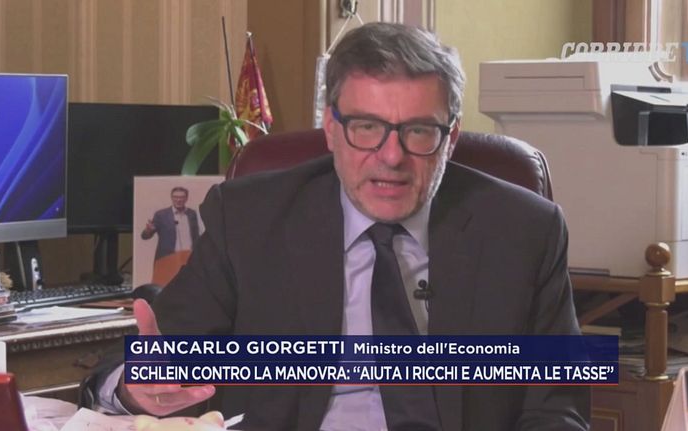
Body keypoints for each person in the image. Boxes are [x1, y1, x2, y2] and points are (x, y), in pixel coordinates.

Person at [90, 22, 590, 430]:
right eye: (366, 127)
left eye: (419, 131)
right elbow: (145, 362)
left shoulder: (523, 230)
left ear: (451, 137)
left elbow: (558, 410)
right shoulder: (249, 220)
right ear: (331, 129)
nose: (391, 157)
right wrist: (135, 387)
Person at [140, 186, 200, 285]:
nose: (178, 200)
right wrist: (148, 230)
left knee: (188, 286)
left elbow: (195, 236)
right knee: (164, 285)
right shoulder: (161, 215)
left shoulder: (192, 214)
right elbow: (145, 236)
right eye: (176, 197)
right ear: (171, 198)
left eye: (181, 197)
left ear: (186, 198)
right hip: (168, 257)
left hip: (188, 257)